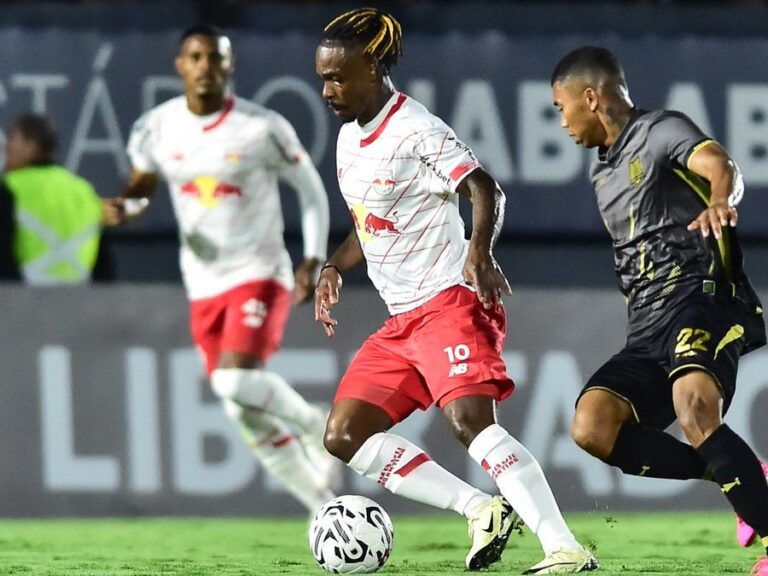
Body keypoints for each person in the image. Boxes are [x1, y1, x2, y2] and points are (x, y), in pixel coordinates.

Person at [312, 8, 597, 574]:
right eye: (322, 77)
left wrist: (479, 252)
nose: (327, 90)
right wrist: (334, 266)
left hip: (448, 303)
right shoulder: (348, 141)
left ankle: (565, 550)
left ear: (374, 65)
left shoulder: (417, 128)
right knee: (345, 435)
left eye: (339, 76)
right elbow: (370, 224)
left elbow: (485, 189)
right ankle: (478, 508)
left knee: (473, 425)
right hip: (401, 324)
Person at [550, 46, 768, 576]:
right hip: (646, 326)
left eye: (560, 106)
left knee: (692, 406)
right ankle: (735, 471)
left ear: (590, 96)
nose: (561, 121)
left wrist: (721, 198)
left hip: (702, 296)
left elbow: (722, 166)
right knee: (591, 427)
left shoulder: (660, 129)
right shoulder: (601, 176)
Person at [102, 25, 337, 514]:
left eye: (215, 57)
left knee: (234, 382)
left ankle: (316, 424)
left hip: (259, 271)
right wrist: (127, 206)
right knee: (241, 409)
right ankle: (323, 506)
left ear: (230, 66)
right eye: (195, 57)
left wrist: (312, 257)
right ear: (180, 66)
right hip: (202, 282)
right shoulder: (156, 128)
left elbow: (311, 189)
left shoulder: (260, 127)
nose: (205, 66)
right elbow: (142, 185)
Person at [0, 113, 111, 284]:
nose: (5, 146)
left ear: (31, 145)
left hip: (22, 301)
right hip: (79, 301)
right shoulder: (85, 191)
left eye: (11, 137)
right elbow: (104, 266)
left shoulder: (8, 188)